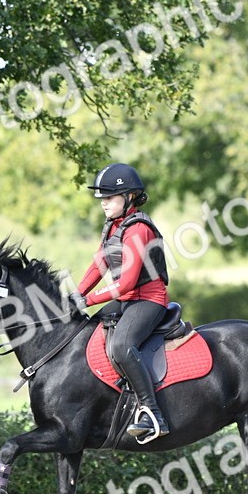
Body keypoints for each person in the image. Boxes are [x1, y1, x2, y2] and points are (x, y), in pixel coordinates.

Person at [69, 163, 171, 441]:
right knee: (83, 331)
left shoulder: (138, 229)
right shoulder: (114, 226)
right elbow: (99, 263)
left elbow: (126, 283)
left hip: (148, 299)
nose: (103, 203)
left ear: (129, 197)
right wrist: (76, 295)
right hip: (126, 299)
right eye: (102, 198)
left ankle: (152, 414)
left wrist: (88, 299)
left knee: (123, 346)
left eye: (110, 198)